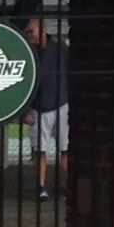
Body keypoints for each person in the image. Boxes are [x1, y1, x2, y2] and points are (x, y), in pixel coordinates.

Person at [24, 13, 69, 199]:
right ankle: (41, 187)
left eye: (31, 31)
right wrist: (25, 110)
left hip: (61, 104)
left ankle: (68, 185)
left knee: (65, 148)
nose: (29, 35)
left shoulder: (60, 49)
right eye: (28, 32)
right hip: (38, 107)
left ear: (42, 29)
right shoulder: (28, 52)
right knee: (39, 150)